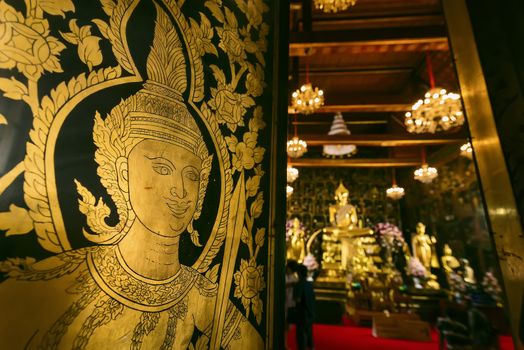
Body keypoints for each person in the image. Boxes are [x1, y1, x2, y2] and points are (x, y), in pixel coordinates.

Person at [0, 4, 262, 349]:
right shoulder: (51, 284)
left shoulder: (207, 301)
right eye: (162, 168)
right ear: (121, 172)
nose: (180, 191)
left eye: (192, 176)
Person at [294, 264, 316, 350]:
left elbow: (297, 299)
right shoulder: (309, 284)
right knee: (309, 332)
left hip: (302, 313)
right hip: (310, 311)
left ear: (298, 273)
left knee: (301, 335)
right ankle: (311, 347)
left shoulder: (299, 284)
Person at [285, 260, 299, 349]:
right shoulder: (284, 276)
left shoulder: (294, 277)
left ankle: (285, 343)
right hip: (284, 302)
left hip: (290, 303)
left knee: (287, 326)